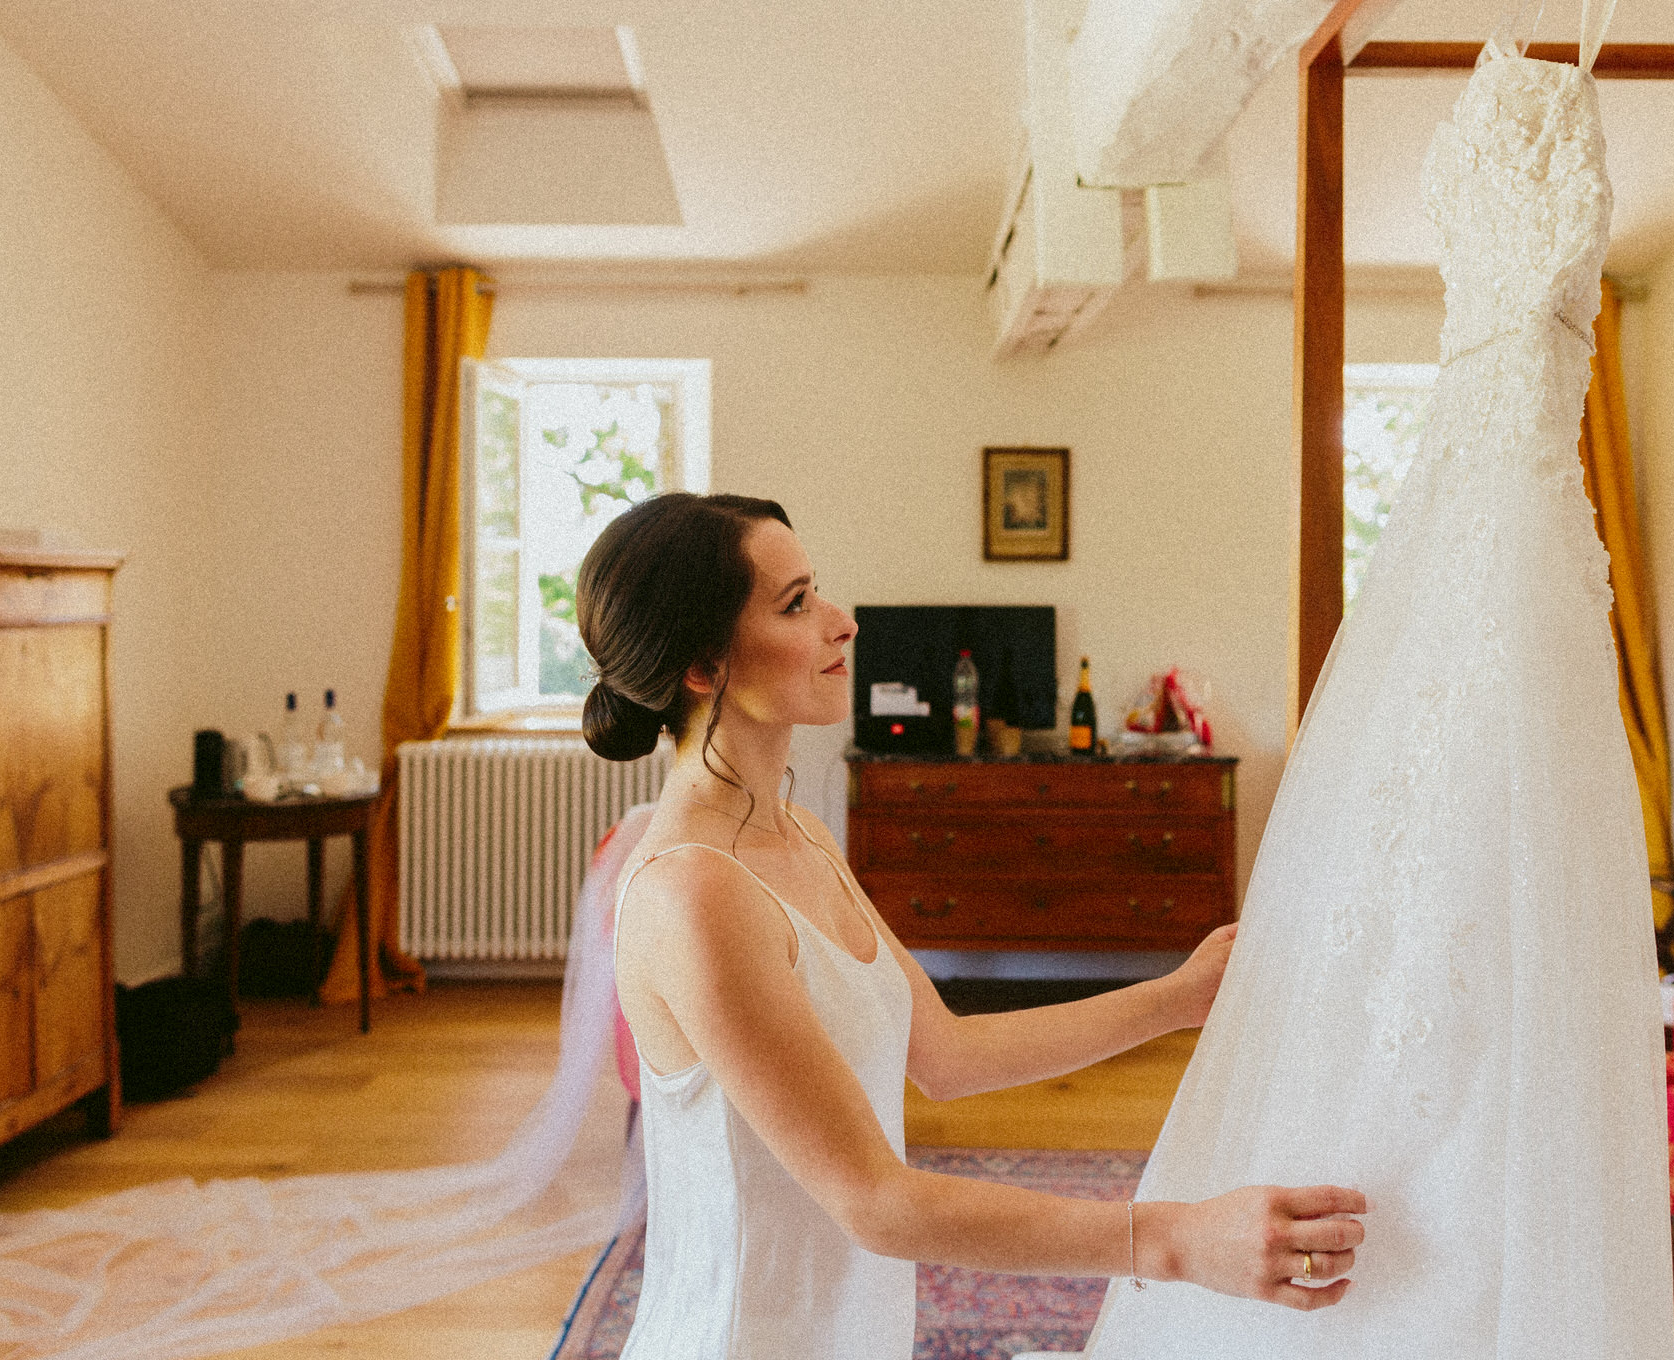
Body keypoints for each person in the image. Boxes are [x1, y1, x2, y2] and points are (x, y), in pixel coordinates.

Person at [580, 492, 1366, 1359]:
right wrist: (1177, 1241)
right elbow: (876, 1203)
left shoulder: (798, 833)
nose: (843, 622)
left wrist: (1178, 998)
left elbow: (947, 1056)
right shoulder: (693, 891)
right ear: (703, 665)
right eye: (796, 604)